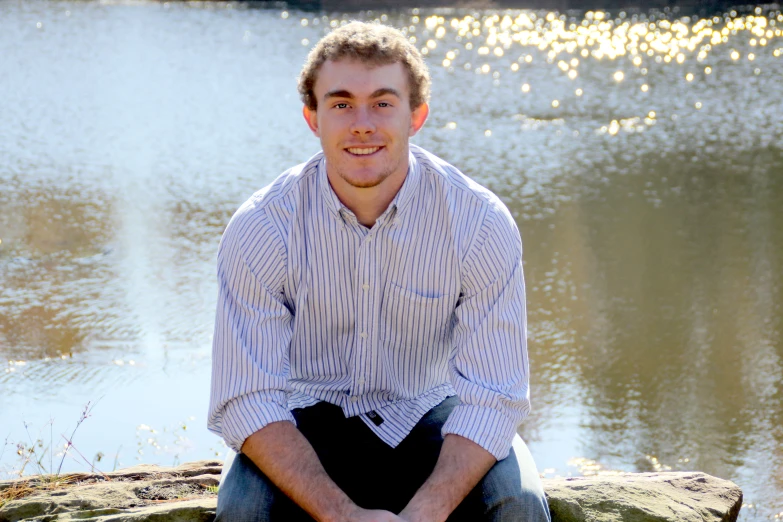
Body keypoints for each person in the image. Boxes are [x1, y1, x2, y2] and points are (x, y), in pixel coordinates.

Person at [208, 21, 550, 522]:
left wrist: (425, 514)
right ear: (312, 118)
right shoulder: (262, 229)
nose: (362, 123)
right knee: (243, 511)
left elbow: (495, 397)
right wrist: (343, 516)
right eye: (341, 103)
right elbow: (246, 400)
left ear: (417, 116)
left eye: (383, 103)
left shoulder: (479, 224)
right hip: (308, 418)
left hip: (432, 411)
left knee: (518, 504)